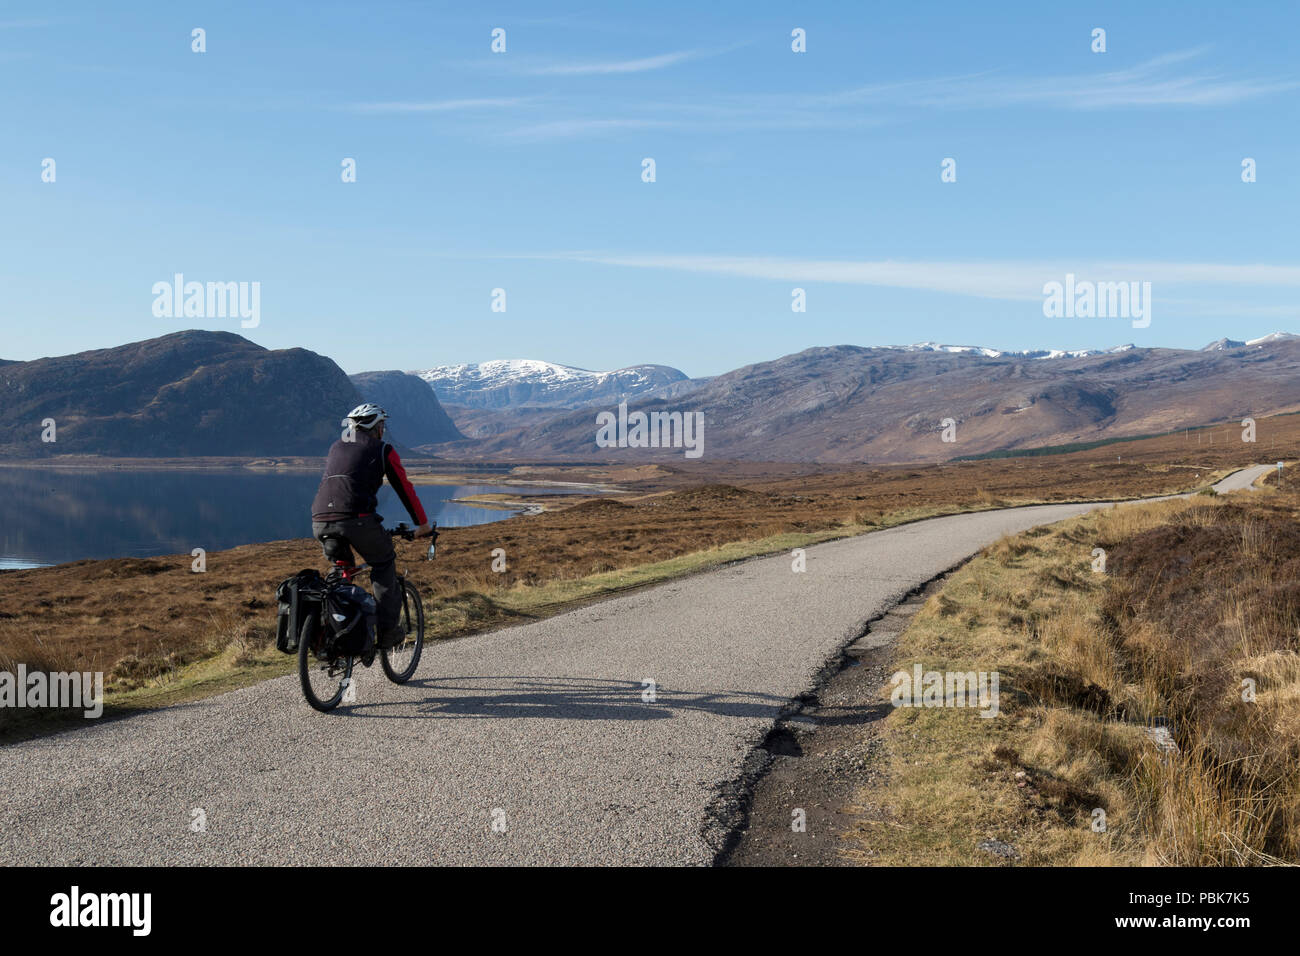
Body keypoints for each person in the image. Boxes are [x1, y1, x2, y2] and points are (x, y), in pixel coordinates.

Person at [310, 403, 434, 662]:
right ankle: (388, 632)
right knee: (383, 562)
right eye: (382, 425)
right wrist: (422, 525)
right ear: (377, 427)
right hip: (356, 520)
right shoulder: (383, 450)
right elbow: (404, 488)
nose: (383, 430)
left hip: (320, 520)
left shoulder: (336, 446)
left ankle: (338, 632)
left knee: (341, 572)